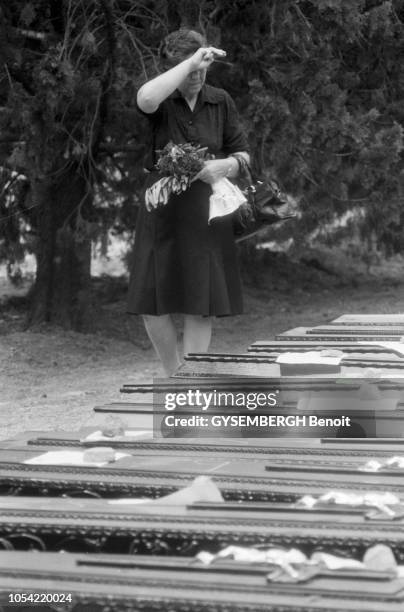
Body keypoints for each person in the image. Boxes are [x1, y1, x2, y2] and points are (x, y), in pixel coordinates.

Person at [127, 28, 250, 376]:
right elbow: (145, 99)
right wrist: (189, 63)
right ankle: (173, 374)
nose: (196, 77)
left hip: (205, 211)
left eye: (202, 69)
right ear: (175, 68)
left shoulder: (220, 100)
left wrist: (226, 165)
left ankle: (191, 383)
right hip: (161, 210)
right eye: (189, 70)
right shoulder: (162, 99)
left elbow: (243, 153)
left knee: (201, 303)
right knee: (152, 302)